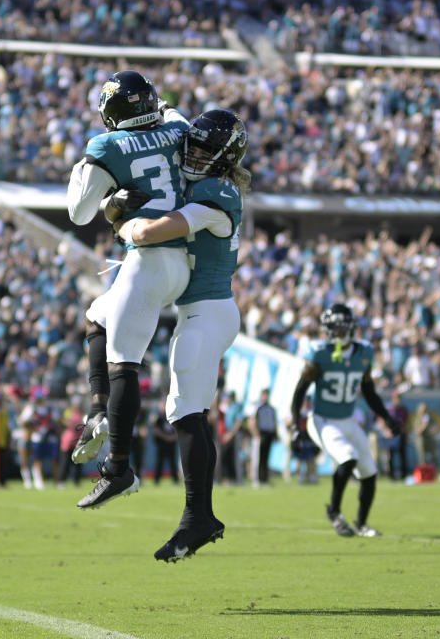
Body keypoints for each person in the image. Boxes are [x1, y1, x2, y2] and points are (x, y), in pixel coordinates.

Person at [90, 109, 250, 560]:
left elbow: (151, 233)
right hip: (197, 310)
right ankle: (196, 515)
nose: (194, 154)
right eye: (191, 145)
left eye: (204, 149)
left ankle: (199, 518)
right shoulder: (202, 182)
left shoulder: (218, 192)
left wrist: (117, 219)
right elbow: (171, 115)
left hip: (210, 313)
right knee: (179, 407)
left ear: (223, 157)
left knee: (184, 410)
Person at [67, 70, 191, 509]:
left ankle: (119, 469)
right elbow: (176, 117)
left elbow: (79, 213)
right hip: (186, 260)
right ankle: (98, 410)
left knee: (124, 364)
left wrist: (107, 203)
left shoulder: (106, 145)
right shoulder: (179, 129)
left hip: (147, 261)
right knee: (96, 315)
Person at [290, 303, 401, 538]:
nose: (335, 333)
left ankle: (361, 524)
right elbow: (300, 391)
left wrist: (387, 418)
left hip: (347, 420)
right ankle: (334, 512)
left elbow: (369, 392)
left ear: (350, 328)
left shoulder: (364, 353)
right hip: (322, 419)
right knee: (348, 457)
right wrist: (294, 425)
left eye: (339, 328)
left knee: (369, 473)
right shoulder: (320, 353)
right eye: (332, 328)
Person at [249, 388, 278, 487]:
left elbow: (273, 422)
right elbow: (252, 421)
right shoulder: (258, 407)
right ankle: (256, 479)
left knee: (265, 458)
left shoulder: (271, 408)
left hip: (268, 434)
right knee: (257, 458)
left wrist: (275, 434)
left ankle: (264, 478)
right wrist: (257, 434)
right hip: (260, 434)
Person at [150, 404, 179, 485]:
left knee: (173, 462)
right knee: (160, 462)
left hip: (171, 443)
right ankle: (157, 480)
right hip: (162, 443)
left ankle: (175, 480)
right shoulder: (158, 416)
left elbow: (178, 428)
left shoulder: (174, 416)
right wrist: (165, 437)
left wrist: (173, 437)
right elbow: (155, 429)